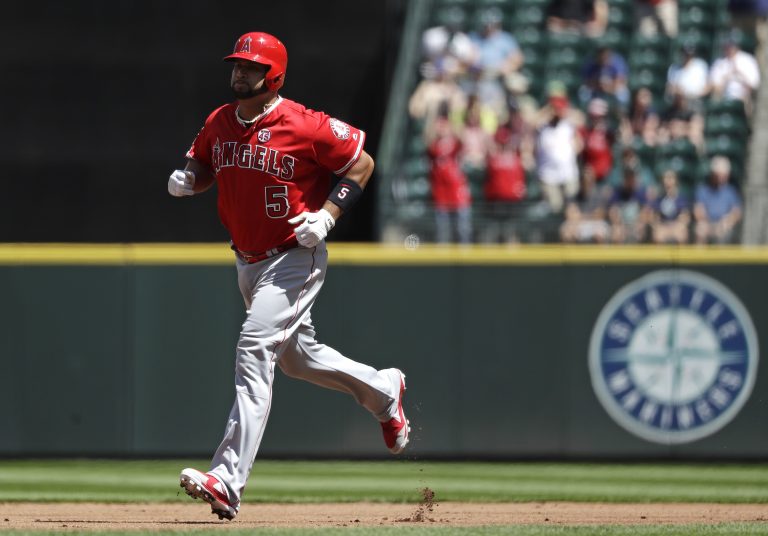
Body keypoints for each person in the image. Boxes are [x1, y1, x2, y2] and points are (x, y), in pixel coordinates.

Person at [168, 32, 410, 521]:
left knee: (255, 347)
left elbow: (360, 164)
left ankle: (227, 479)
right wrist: (190, 178)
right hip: (247, 260)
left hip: (294, 256)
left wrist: (328, 215)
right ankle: (383, 391)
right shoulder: (220, 120)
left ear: (273, 75)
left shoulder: (304, 123)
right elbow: (205, 163)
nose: (239, 73)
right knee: (297, 359)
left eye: (250, 67)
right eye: (236, 65)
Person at [425, 115, 473, 243]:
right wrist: (434, 127)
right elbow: (427, 139)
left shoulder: (454, 143)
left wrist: (452, 126)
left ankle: (464, 260)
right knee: (442, 233)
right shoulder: (434, 146)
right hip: (441, 194)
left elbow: (463, 140)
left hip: (457, 193)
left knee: (462, 231)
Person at [535, 95, 582, 213]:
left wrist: (564, 111)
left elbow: (581, 119)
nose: (556, 112)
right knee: (555, 207)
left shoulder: (568, 125)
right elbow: (531, 121)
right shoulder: (542, 127)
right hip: (548, 175)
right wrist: (548, 110)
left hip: (568, 173)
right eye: (554, 109)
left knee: (571, 206)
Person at [694, 155, 743, 244]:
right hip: (708, 223)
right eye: (718, 175)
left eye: (724, 175)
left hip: (724, 224)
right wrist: (707, 223)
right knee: (700, 229)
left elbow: (737, 212)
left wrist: (726, 222)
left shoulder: (731, 191)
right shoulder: (703, 190)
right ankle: (700, 258)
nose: (721, 178)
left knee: (724, 232)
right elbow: (698, 210)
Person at [709, 32, 761, 113]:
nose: (729, 49)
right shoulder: (720, 62)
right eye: (727, 46)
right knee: (715, 99)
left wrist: (739, 74)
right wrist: (727, 77)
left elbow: (754, 85)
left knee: (748, 101)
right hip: (723, 96)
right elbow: (715, 87)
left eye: (732, 46)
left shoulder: (748, 60)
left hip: (743, 98)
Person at [649, 169, 691, 244]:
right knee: (658, 235)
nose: (667, 181)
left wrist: (678, 226)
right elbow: (654, 217)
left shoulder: (681, 199)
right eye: (665, 178)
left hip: (676, 226)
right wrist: (658, 226)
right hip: (663, 226)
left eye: (670, 178)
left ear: (676, 181)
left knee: (682, 234)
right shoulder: (658, 199)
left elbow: (685, 217)